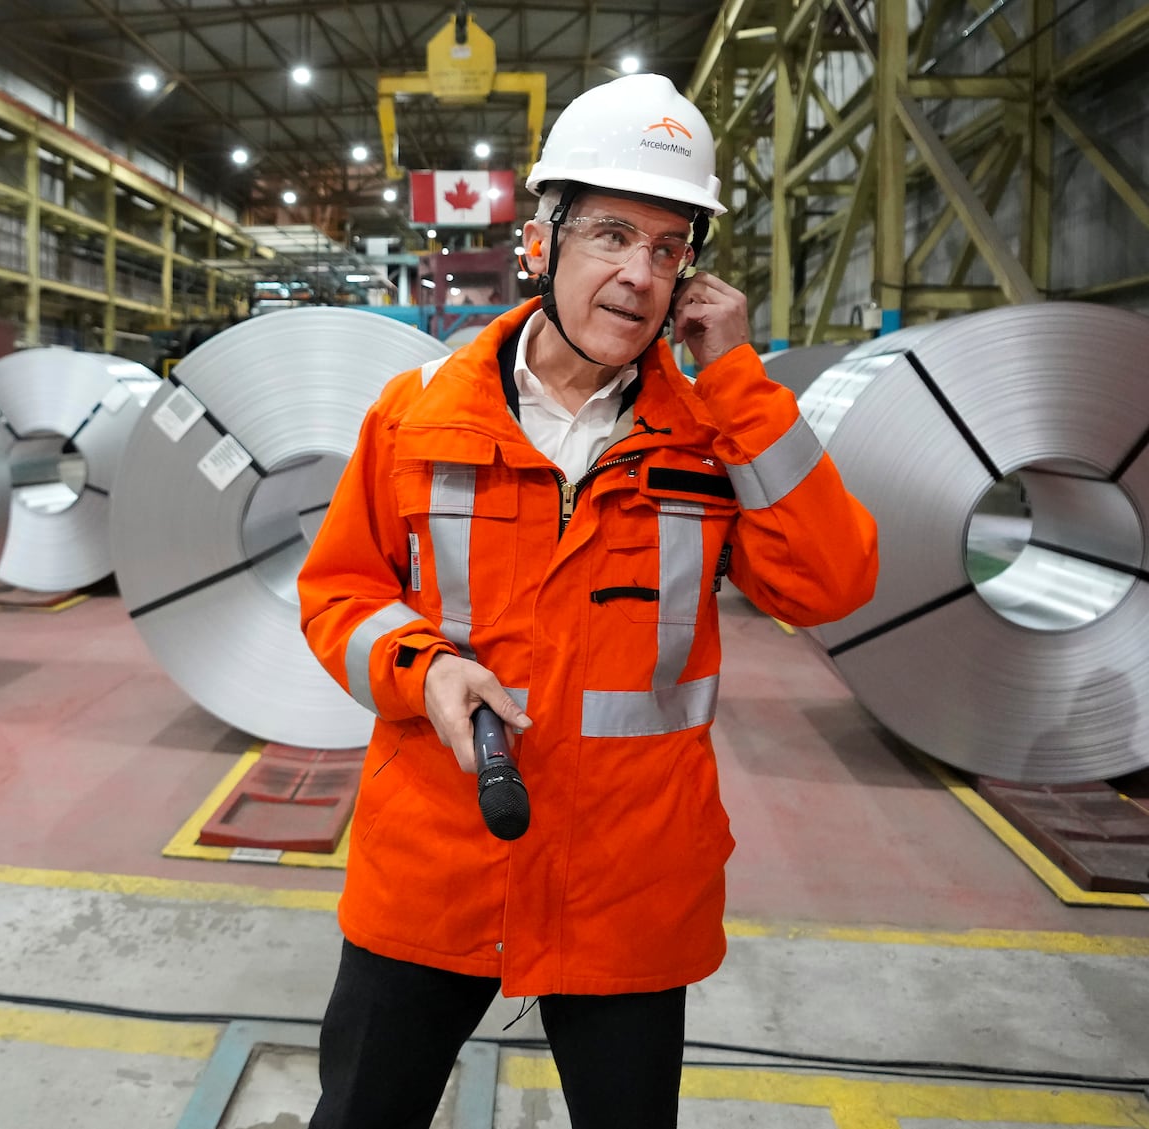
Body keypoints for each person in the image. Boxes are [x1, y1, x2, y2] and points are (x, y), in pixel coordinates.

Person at [295, 72, 879, 1128]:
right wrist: (421, 671)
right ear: (545, 235)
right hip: (436, 858)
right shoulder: (418, 414)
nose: (637, 275)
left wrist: (740, 381)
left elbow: (833, 581)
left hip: (630, 881)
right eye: (610, 234)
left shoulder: (711, 436)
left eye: (667, 248)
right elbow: (340, 590)